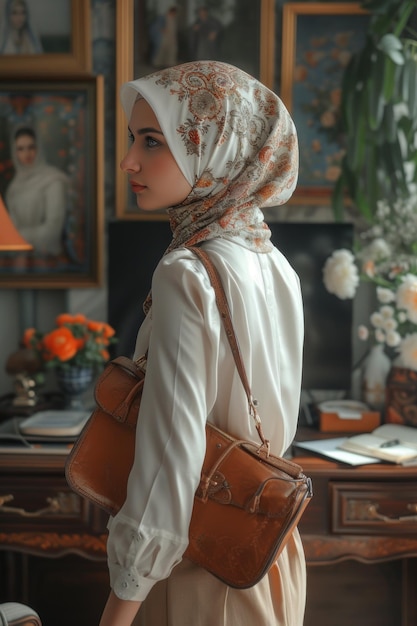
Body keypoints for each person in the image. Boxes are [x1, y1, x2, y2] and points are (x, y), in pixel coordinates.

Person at [99, 60, 305, 626]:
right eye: (132, 140)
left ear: (214, 152)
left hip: (200, 573)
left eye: (152, 142)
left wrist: (119, 611)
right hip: (268, 558)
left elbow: (172, 459)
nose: (129, 162)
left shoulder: (187, 273)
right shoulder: (274, 263)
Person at [5, 125, 69, 256]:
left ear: (38, 149)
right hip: (17, 259)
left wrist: (14, 237)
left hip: (47, 258)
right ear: (15, 152)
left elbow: (53, 230)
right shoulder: (13, 188)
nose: (26, 153)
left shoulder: (53, 180)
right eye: (20, 149)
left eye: (31, 147)